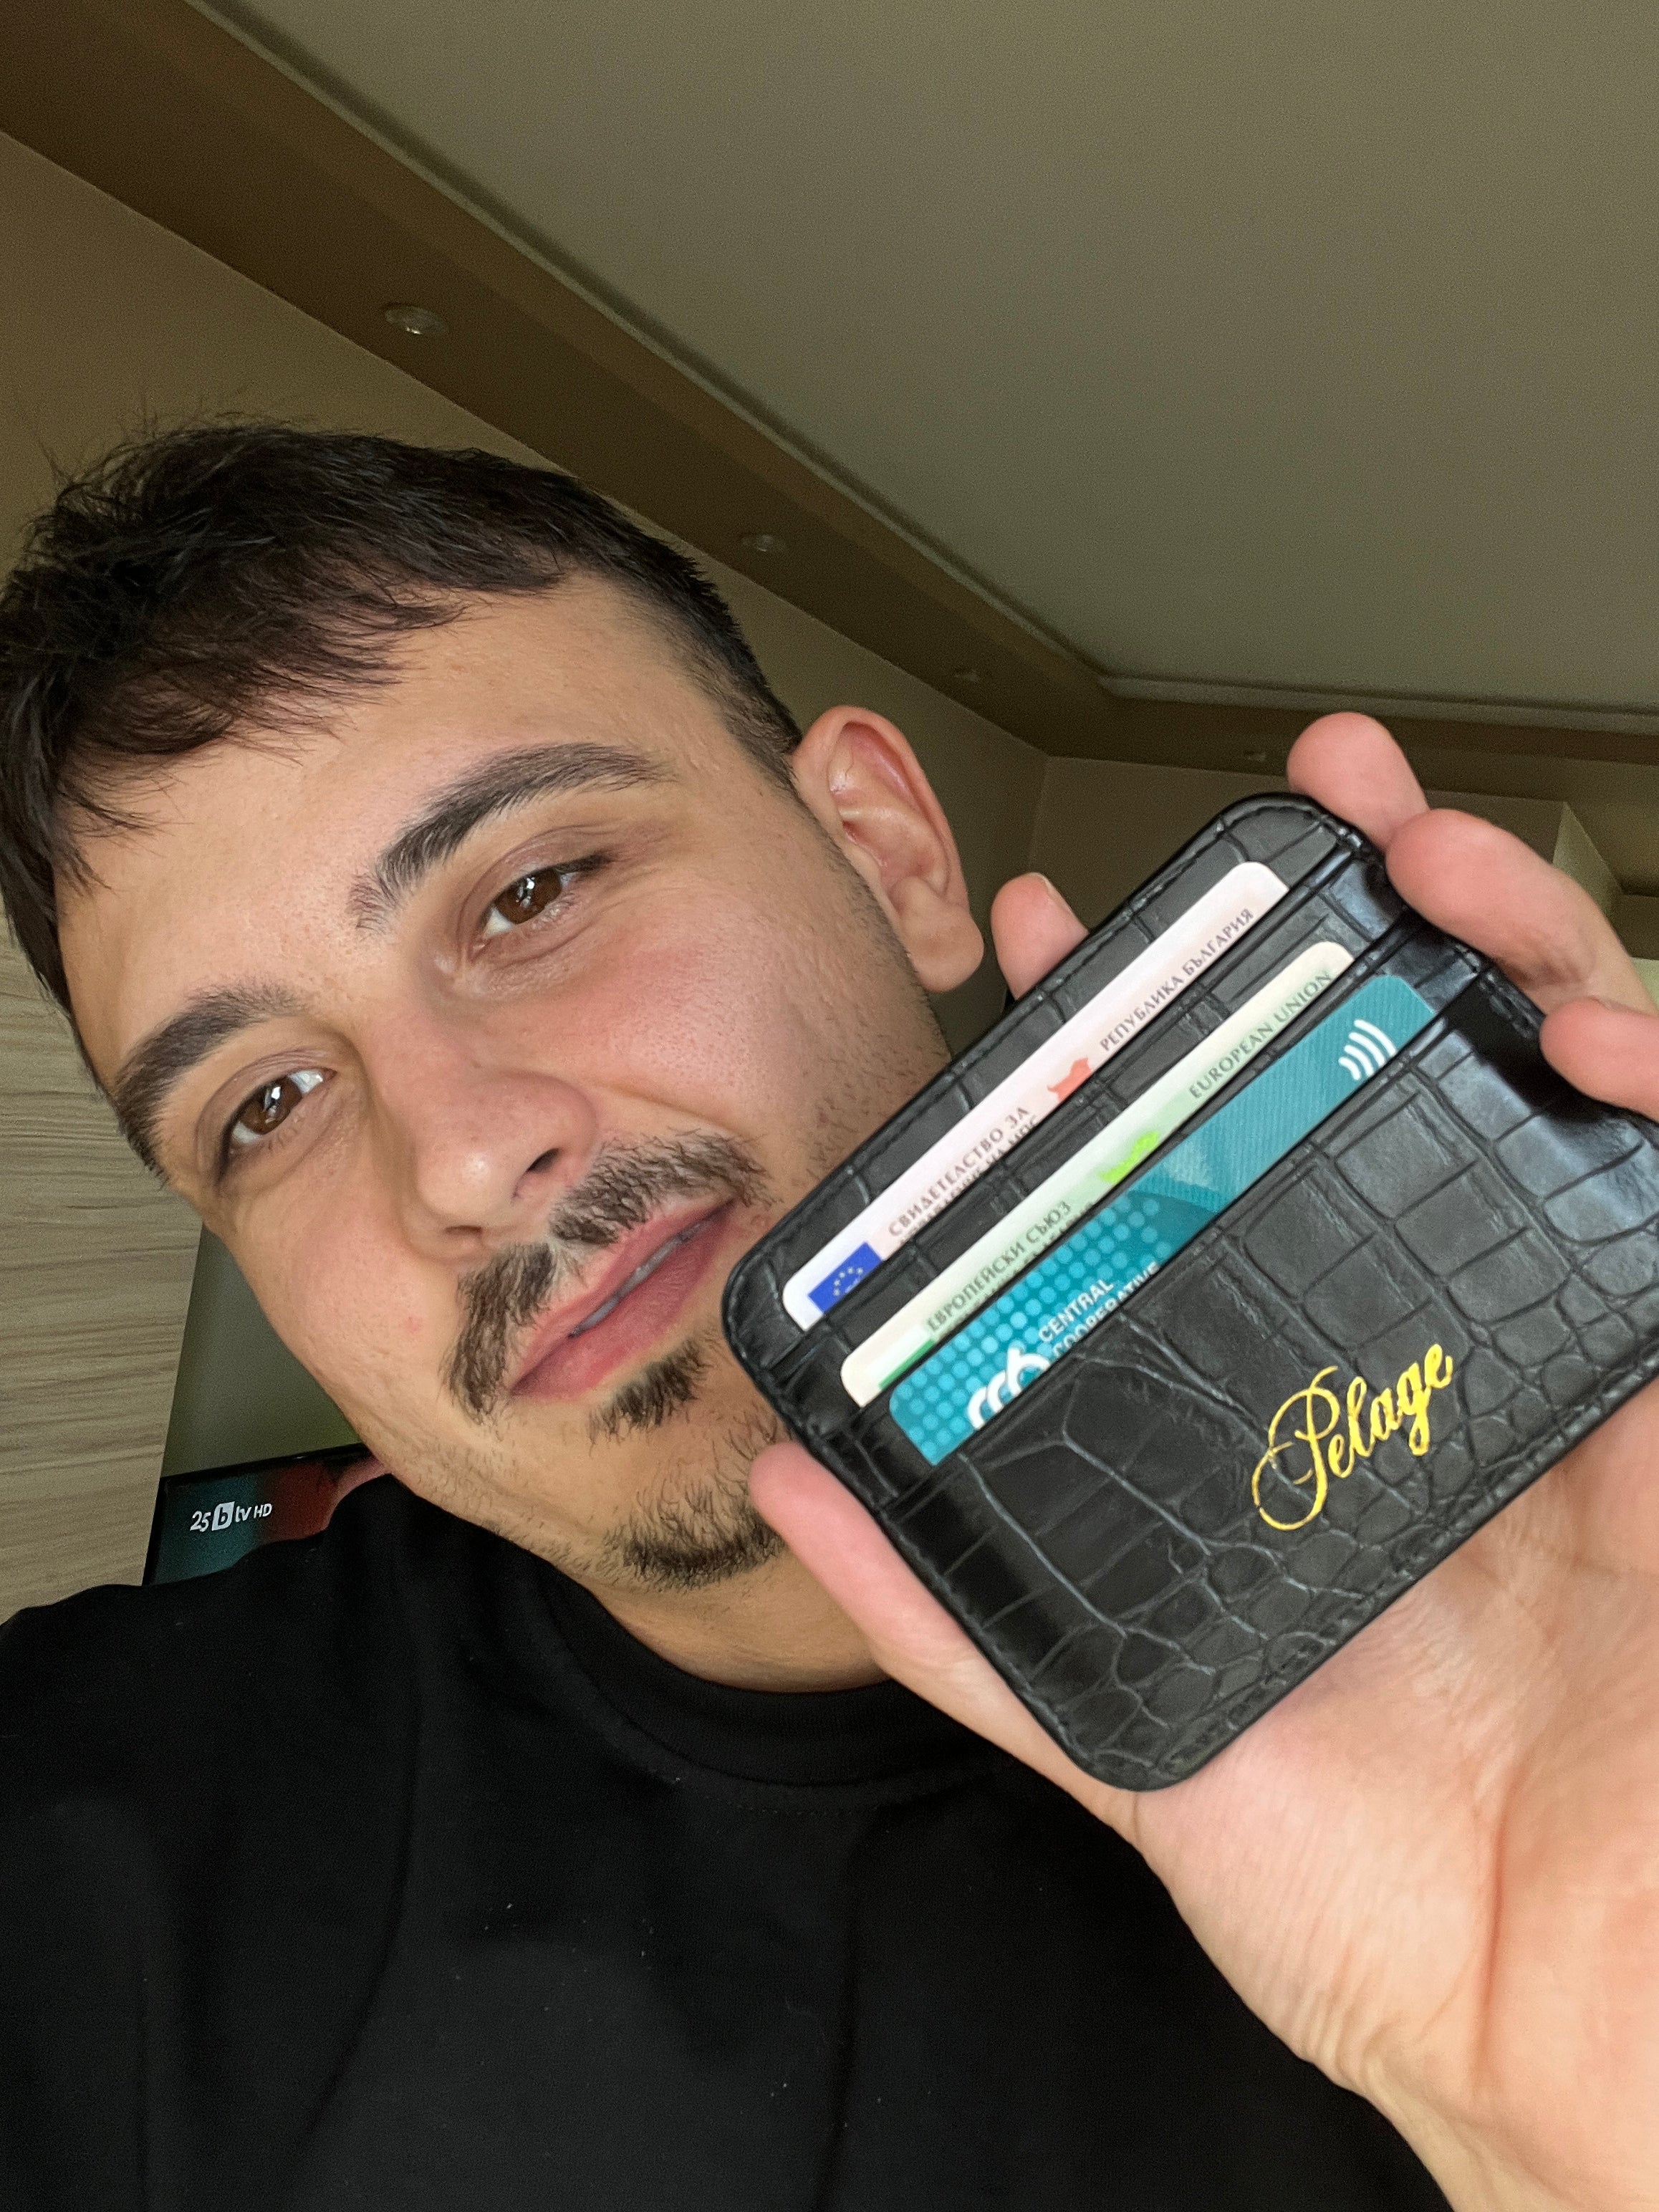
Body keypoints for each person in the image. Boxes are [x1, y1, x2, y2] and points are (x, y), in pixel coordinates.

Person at [0, 427, 1652, 2212]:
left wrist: (1588, 2095)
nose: (462, 1159)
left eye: (531, 891)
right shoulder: (71, 1826)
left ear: (885, 854)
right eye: (265, 1103)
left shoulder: (1541, 1650)